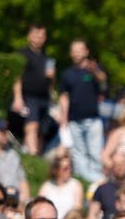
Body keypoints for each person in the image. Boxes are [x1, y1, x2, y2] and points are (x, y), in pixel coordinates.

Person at [57, 39, 109, 186]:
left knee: (95, 152)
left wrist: (95, 72)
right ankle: (84, 181)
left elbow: (104, 82)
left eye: (79, 49)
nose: (76, 53)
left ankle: (97, 182)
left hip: (93, 119)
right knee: (78, 153)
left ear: (86, 52)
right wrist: (64, 119)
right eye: (74, 50)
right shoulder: (67, 74)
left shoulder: (94, 69)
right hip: (74, 119)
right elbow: (64, 96)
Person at [10, 24, 53, 153]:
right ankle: (32, 153)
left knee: (43, 130)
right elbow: (16, 76)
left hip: (44, 98)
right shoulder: (22, 54)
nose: (39, 38)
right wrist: (18, 97)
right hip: (28, 96)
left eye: (42, 35)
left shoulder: (47, 58)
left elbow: (50, 82)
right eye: (36, 34)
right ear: (29, 36)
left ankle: (37, 156)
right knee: (32, 124)